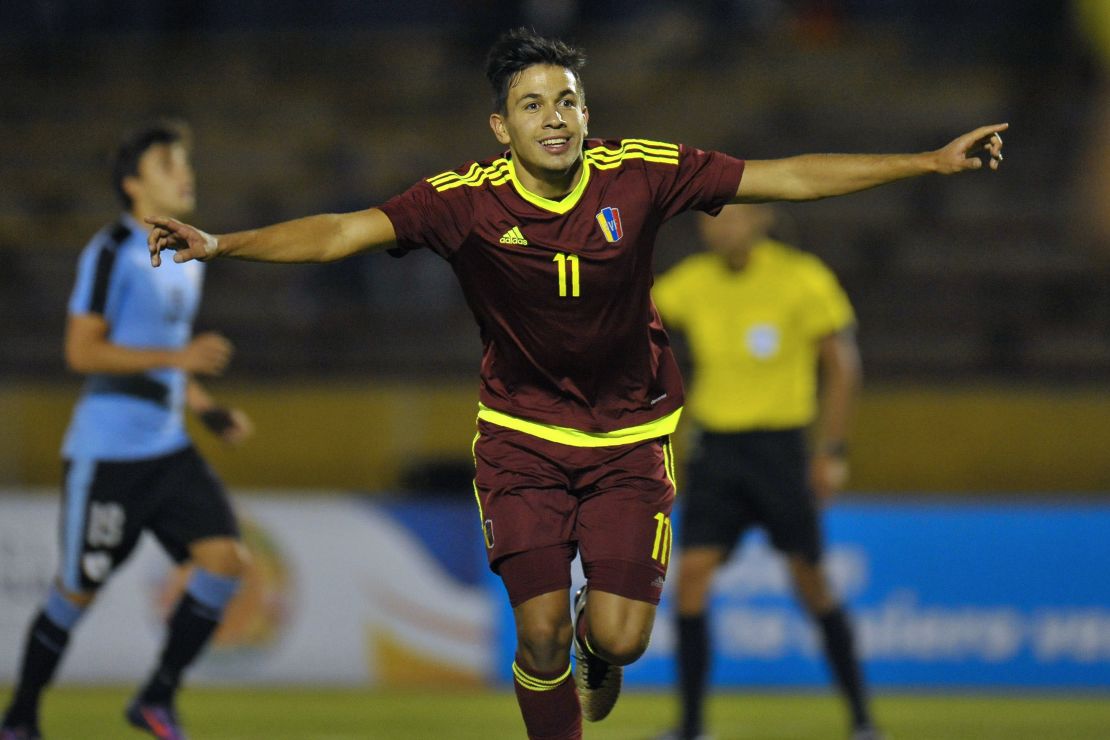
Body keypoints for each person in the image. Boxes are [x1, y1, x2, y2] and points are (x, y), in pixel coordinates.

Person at [145, 28, 1004, 740]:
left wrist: (927, 162)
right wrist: (223, 243)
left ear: (586, 113)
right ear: (499, 126)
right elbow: (339, 232)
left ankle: (604, 648)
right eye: (532, 105)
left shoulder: (640, 172)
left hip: (632, 441)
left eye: (565, 101)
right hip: (521, 440)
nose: (553, 119)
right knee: (541, 631)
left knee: (619, 642)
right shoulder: (462, 202)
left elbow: (788, 177)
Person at [0, 121, 253, 740]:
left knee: (225, 561)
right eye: (170, 163)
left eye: (185, 161)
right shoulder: (110, 251)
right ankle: (20, 718)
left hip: (167, 449)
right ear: (135, 185)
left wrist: (201, 403)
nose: (186, 173)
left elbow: (162, 351)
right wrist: (179, 362)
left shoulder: (186, 257)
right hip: (108, 457)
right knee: (76, 589)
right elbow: (83, 352)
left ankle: (156, 698)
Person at [652, 204, 876, 740]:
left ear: (762, 218)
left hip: (780, 448)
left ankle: (863, 721)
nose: (719, 227)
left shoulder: (802, 277)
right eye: (709, 218)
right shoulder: (692, 281)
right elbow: (628, 314)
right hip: (715, 450)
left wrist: (832, 450)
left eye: (731, 215)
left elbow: (842, 365)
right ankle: (690, 727)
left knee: (811, 582)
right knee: (692, 580)